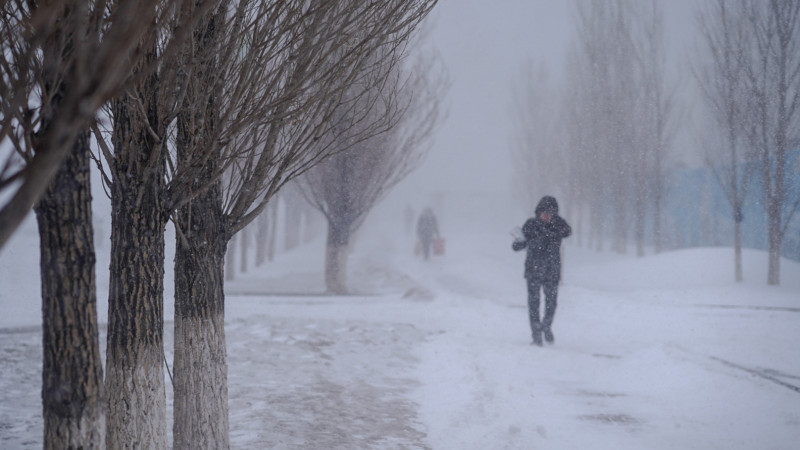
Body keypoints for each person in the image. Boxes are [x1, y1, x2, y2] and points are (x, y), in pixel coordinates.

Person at [512, 196, 572, 346]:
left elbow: (568, 231)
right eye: (543, 212)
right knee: (533, 303)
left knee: (551, 303)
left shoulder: (558, 225)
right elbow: (516, 246)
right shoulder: (531, 225)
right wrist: (523, 241)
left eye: (549, 213)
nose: (545, 215)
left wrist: (550, 231)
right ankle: (536, 334)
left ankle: (546, 325)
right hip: (533, 270)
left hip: (552, 271)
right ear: (538, 212)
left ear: (554, 214)